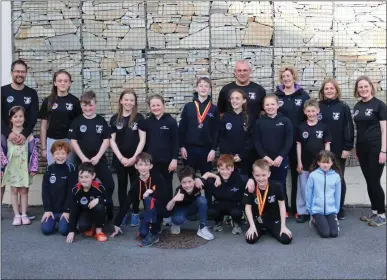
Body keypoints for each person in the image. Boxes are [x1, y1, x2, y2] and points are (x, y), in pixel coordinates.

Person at [1, 59, 39, 221]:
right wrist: (8, 133)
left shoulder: (31, 94)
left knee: (23, 175)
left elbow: (33, 117)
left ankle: (23, 212)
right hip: (5, 138)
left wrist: (24, 134)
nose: (20, 74)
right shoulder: (2, 91)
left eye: (22, 71)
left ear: (26, 73)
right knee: (2, 176)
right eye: (17, 71)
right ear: (11, 73)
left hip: (25, 138)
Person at [68, 90, 115, 220]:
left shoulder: (101, 121)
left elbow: (106, 139)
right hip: (82, 161)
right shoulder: (77, 122)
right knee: (79, 186)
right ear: (81, 105)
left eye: (90, 105)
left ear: (95, 104)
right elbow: (73, 141)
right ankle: (82, 212)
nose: (88, 108)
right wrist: (83, 158)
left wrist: (98, 156)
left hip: (98, 160)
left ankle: (107, 211)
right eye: (85, 105)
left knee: (109, 184)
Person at [218, 60, 266, 177]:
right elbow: (221, 114)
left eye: (245, 70)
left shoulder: (259, 90)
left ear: (250, 71)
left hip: (250, 147)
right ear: (235, 72)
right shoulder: (226, 90)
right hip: (231, 149)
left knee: (249, 180)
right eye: (239, 70)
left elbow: (263, 113)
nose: (242, 73)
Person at [110, 153, 168, 247]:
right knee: (143, 234)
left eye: (146, 164)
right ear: (136, 166)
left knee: (149, 199)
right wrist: (117, 223)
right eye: (140, 164)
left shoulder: (157, 177)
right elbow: (127, 203)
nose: (143, 167)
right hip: (148, 211)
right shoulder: (136, 183)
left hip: (159, 210)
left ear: (151, 166)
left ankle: (154, 232)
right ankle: (144, 218)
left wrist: (151, 191)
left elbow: (165, 195)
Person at [138, 94, 179, 226]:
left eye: (158, 105)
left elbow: (175, 143)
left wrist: (174, 159)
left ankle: (167, 215)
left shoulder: (171, 122)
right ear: (150, 107)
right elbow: (143, 143)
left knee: (166, 187)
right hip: (151, 164)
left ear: (163, 106)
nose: (156, 108)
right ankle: (154, 214)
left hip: (167, 162)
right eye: (153, 105)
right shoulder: (146, 122)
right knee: (153, 188)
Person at [274, 66, 310, 216]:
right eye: (284, 76)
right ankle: (284, 208)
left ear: (294, 77)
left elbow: (309, 116)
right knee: (280, 176)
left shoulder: (303, 96)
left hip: (298, 143)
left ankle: (297, 209)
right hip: (281, 142)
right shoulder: (277, 96)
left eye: (289, 76)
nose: (286, 79)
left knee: (298, 175)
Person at [318, 78, 354, 220]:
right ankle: (322, 208)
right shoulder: (318, 106)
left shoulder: (343, 107)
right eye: (326, 89)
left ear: (336, 90)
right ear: (322, 91)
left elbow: (349, 128)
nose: (329, 91)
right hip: (320, 151)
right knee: (320, 180)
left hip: (338, 150)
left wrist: (347, 147)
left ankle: (339, 208)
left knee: (338, 179)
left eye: (331, 88)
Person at [353, 76, 386, 227]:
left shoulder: (380, 105)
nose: (363, 89)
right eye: (360, 87)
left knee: (374, 181)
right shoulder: (357, 106)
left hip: (376, 149)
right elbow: (359, 129)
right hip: (362, 149)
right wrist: (356, 148)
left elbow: (384, 130)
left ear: (371, 87)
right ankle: (373, 211)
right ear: (357, 89)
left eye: (366, 86)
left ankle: (381, 214)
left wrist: (384, 151)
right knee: (369, 181)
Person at [110, 89, 145, 226]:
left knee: (135, 186)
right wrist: (121, 158)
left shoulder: (139, 118)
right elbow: (111, 141)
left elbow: (142, 140)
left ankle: (135, 213)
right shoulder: (114, 119)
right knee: (122, 187)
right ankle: (123, 213)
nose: (128, 102)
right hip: (120, 160)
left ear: (135, 102)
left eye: (131, 100)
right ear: (121, 101)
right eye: (126, 99)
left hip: (135, 160)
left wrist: (134, 158)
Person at [252, 94, 293, 213]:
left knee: (280, 184)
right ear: (263, 107)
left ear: (277, 105)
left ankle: (283, 210)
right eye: (267, 104)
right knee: (264, 184)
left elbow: (289, 140)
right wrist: (265, 157)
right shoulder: (259, 122)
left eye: (272, 104)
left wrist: (281, 157)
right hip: (265, 161)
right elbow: (256, 141)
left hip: (281, 160)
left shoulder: (285, 121)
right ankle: (266, 209)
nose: (270, 107)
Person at [1, 106, 38, 226]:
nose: (18, 119)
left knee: (24, 191)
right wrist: (2, 168)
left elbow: (33, 152)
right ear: (10, 119)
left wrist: (33, 167)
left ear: (24, 118)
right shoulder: (6, 136)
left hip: (24, 168)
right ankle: (16, 215)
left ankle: (24, 214)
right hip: (12, 168)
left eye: (20, 116)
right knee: (14, 190)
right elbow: (2, 152)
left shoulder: (28, 135)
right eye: (15, 116)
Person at [296, 99, 331, 223]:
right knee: (303, 188)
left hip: (319, 164)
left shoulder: (324, 127)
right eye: (308, 111)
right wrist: (299, 162)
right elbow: (299, 145)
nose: (311, 113)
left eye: (313, 111)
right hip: (305, 163)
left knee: (319, 188)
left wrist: (326, 161)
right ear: (304, 112)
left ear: (318, 111)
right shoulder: (301, 127)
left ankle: (318, 211)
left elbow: (327, 144)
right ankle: (303, 212)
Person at [244, 159, 292, 245]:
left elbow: (282, 206)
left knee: (286, 239)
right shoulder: (251, 187)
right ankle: (261, 230)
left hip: (273, 220)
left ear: (269, 174)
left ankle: (270, 229)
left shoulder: (277, 186)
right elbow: (248, 207)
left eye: (263, 175)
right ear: (253, 175)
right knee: (250, 239)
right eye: (257, 175)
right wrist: (251, 226)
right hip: (258, 220)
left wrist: (283, 226)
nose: (261, 178)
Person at [39, 70, 82, 165]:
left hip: (69, 141)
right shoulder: (48, 101)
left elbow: (79, 125)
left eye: (66, 81)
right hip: (52, 141)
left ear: (70, 83)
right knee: (53, 171)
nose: (62, 83)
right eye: (60, 80)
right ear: (55, 83)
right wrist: (43, 147)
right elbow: (43, 126)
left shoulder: (74, 101)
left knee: (69, 170)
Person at [179, 77, 219, 175]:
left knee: (207, 179)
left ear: (209, 89)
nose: (203, 88)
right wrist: (182, 146)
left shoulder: (214, 109)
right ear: (196, 88)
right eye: (201, 86)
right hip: (189, 149)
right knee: (189, 178)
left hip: (207, 150)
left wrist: (213, 149)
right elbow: (182, 128)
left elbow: (216, 131)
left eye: (206, 86)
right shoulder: (188, 107)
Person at [198, 154, 245, 234]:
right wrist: (208, 175)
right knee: (210, 211)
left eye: (228, 169)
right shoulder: (215, 179)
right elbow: (199, 182)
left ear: (232, 168)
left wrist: (223, 192)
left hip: (234, 204)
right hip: (220, 204)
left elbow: (238, 196)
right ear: (218, 169)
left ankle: (236, 223)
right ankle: (219, 221)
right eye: (222, 169)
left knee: (237, 212)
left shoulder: (238, 179)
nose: (225, 172)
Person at [166, 166, 214, 241]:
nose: (187, 185)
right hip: (181, 209)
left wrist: (217, 178)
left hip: (193, 207)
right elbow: (168, 208)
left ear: (194, 180)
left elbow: (207, 174)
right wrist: (174, 200)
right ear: (180, 182)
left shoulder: (198, 183)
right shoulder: (179, 191)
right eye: (184, 182)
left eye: (189, 181)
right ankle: (175, 224)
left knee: (202, 200)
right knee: (178, 220)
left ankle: (202, 228)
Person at [41, 141, 76, 236]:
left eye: (63, 153)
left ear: (67, 155)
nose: (60, 156)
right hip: (52, 210)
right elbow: (45, 190)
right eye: (57, 153)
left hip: (65, 210)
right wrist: (47, 210)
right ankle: (53, 219)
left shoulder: (70, 168)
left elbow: (71, 192)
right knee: (46, 230)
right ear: (52, 155)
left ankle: (66, 221)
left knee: (64, 231)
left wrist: (67, 211)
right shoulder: (49, 169)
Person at [66, 162, 108, 243]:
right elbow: (73, 210)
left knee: (100, 206)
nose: (83, 179)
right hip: (84, 213)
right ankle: (91, 227)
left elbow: (108, 200)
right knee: (83, 227)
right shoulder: (75, 190)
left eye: (86, 177)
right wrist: (71, 231)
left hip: (97, 212)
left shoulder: (99, 187)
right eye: (81, 177)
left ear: (93, 176)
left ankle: (98, 231)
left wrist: (99, 199)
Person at [218, 89, 252, 181]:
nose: (234, 101)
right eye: (232, 98)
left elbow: (250, 140)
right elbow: (222, 137)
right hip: (228, 159)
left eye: (237, 98)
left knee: (243, 184)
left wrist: (241, 155)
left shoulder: (249, 117)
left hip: (244, 159)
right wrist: (230, 155)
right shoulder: (225, 117)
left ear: (244, 100)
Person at [306, 150, 341, 238]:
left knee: (334, 234)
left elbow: (337, 195)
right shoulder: (313, 175)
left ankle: (329, 220)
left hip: (331, 210)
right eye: (323, 162)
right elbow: (308, 192)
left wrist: (336, 210)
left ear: (332, 163)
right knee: (325, 234)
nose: (325, 165)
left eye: (328, 162)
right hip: (317, 210)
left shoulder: (336, 176)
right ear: (318, 162)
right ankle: (315, 221)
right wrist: (310, 210)